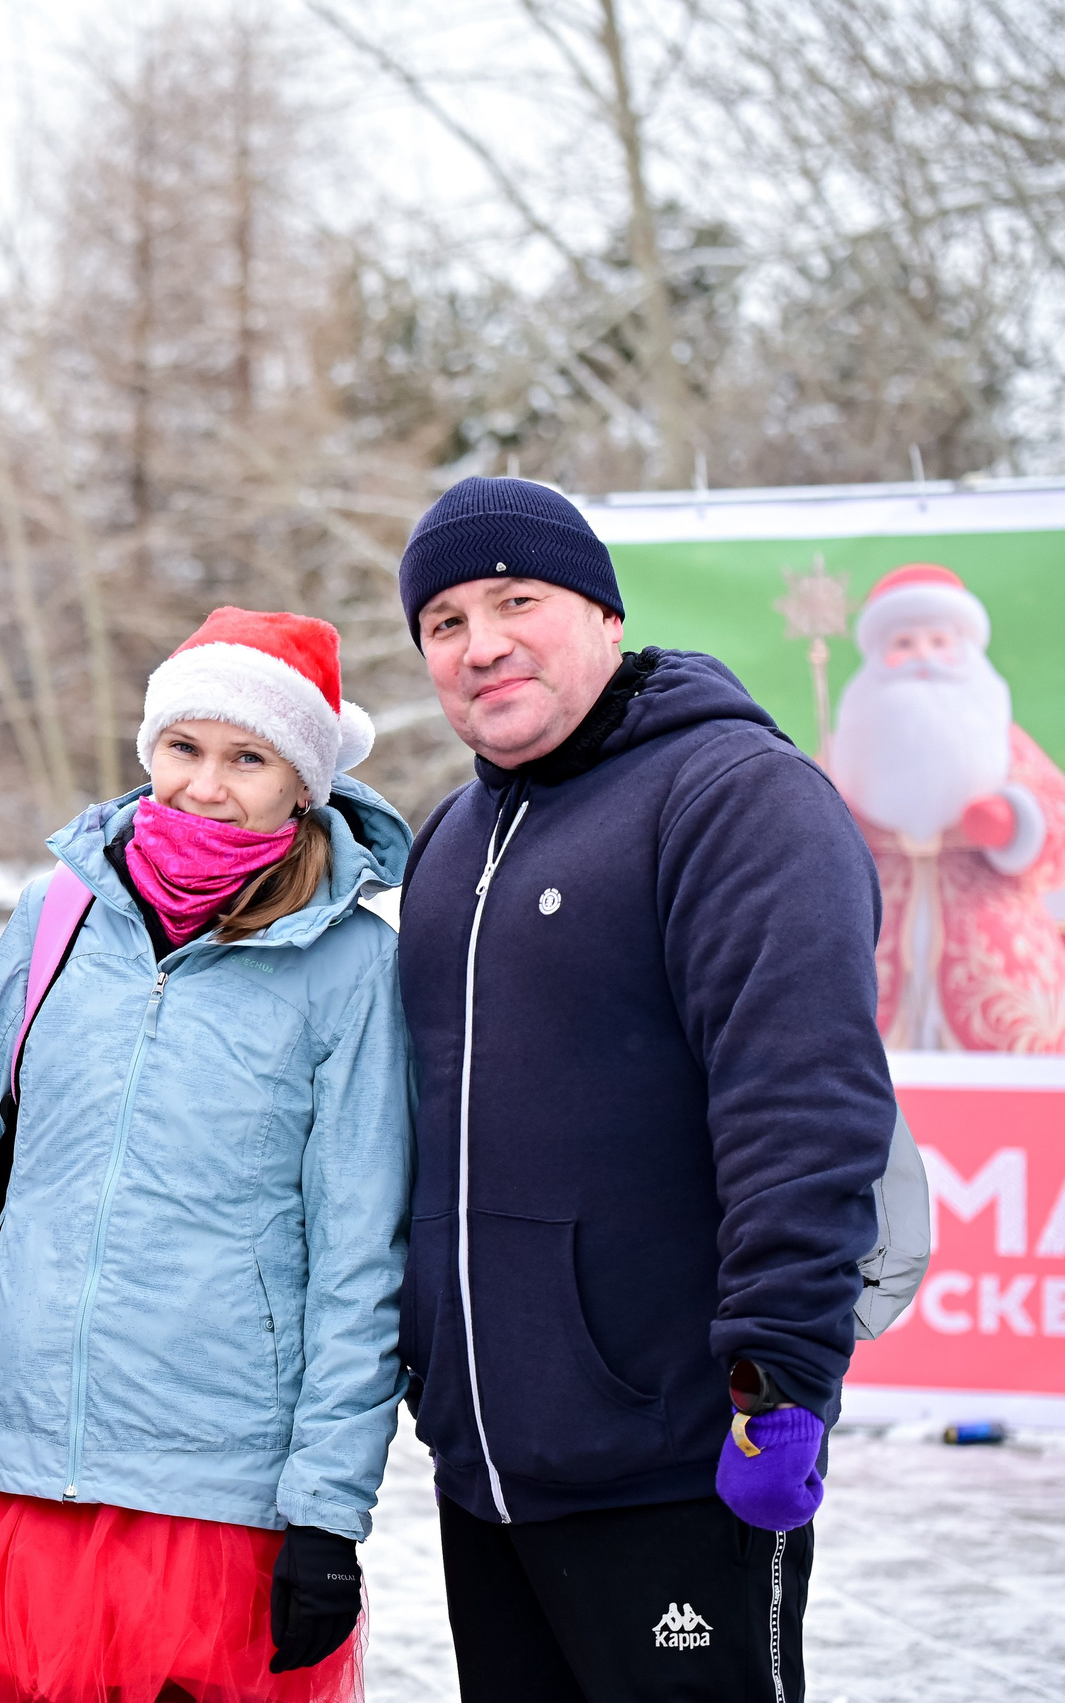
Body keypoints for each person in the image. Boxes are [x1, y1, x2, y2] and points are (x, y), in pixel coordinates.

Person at [393, 478, 897, 1703]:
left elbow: (804, 1103)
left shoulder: (731, 795)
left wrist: (779, 1384)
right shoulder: (449, 835)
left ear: (605, 616)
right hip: (492, 1472)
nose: (482, 642)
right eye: (445, 620)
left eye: (518, 600)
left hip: (679, 1460)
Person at [0, 608, 412, 1703]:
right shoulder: (54, 917)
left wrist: (325, 1510)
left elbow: (361, 1255)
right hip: (15, 1477)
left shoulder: (352, 964)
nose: (206, 784)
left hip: (213, 1501)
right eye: (184, 747)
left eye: (248, 757)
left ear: (301, 782)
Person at [830, 562, 1065, 1052]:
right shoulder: (849, 748)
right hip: (873, 940)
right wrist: (832, 821)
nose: (923, 658)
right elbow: (796, 832)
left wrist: (1017, 822)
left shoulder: (1001, 741)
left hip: (996, 949)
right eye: (904, 645)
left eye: (938, 643)